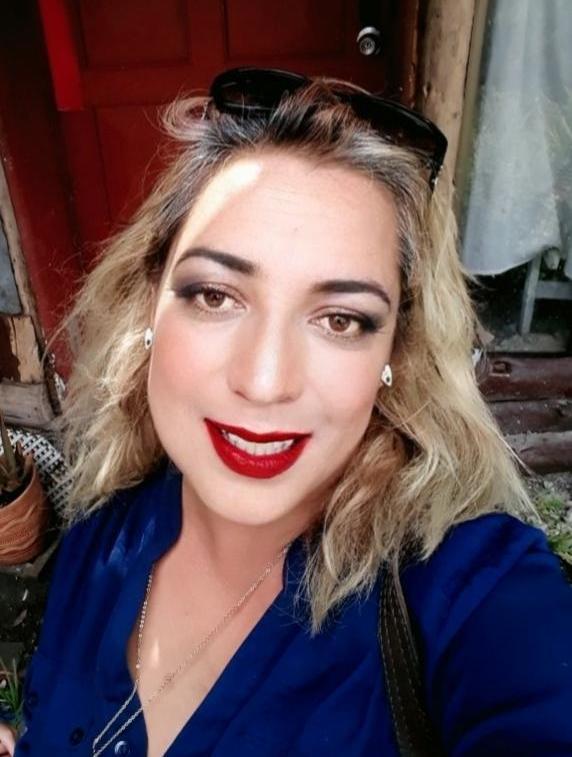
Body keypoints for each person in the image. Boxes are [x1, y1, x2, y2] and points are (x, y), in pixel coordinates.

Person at [1, 67, 571, 756]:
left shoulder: (468, 593)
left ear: (395, 351)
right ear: (150, 303)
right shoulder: (102, 532)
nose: (265, 381)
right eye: (216, 296)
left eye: (340, 319)